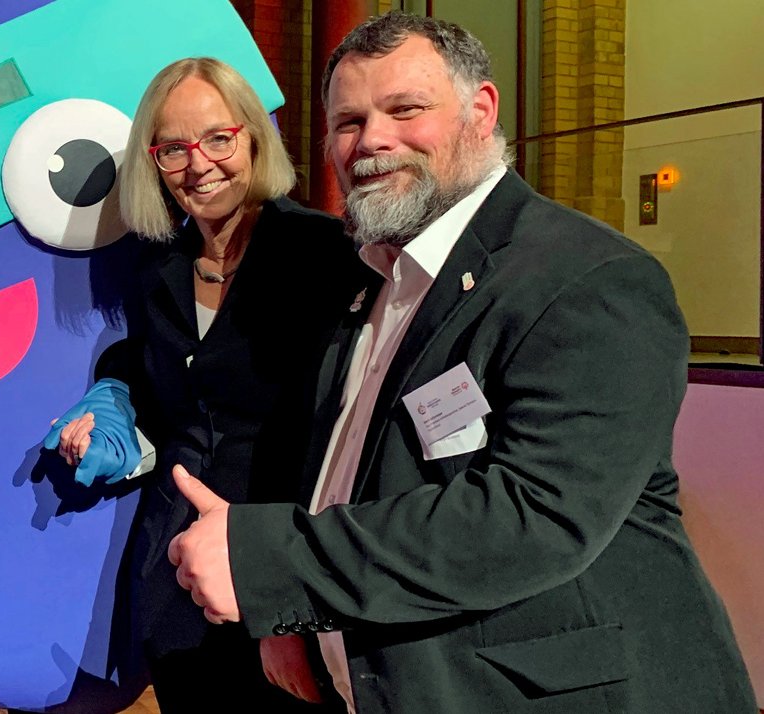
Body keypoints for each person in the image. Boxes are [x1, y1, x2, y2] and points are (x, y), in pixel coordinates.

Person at [165, 12, 757, 714]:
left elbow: (532, 517)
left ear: (482, 110)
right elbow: (346, 476)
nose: (373, 139)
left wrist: (272, 566)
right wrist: (296, 617)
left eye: (405, 109)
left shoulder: (588, 278)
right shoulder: (371, 284)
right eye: (348, 121)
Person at [45, 57, 357, 711]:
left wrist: (294, 606)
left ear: (251, 136)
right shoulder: (157, 264)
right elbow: (150, 367)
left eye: (218, 138)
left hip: (283, 573)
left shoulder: (326, 254)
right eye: (174, 149)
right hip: (176, 583)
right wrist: (112, 399)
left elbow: (346, 430)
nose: (200, 164)